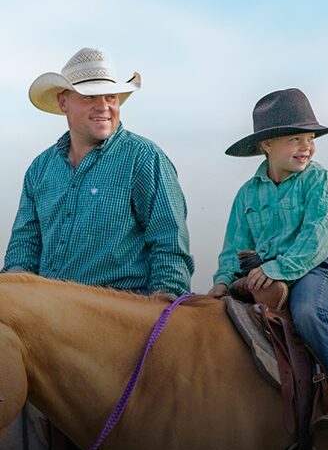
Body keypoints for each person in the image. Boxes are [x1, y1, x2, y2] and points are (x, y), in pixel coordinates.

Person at [208, 87, 328, 435]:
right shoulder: (247, 194)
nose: (307, 147)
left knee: (307, 313)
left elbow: (317, 238)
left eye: (311, 137)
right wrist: (224, 281)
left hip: (316, 269)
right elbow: (234, 246)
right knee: (215, 319)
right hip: (264, 272)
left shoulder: (319, 180)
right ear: (266, 145)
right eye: (296, 138)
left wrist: (275, 269)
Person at [3, 46, 194, 296]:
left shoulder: (144, 158)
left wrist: (165, 303)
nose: (103, 106)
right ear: (63, 102)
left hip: (121, 313)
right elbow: (25, 243)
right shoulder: (40, 169)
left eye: (110, 97)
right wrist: (15, 283)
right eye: (90, 97)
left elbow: (169, 242)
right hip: (50, 312)